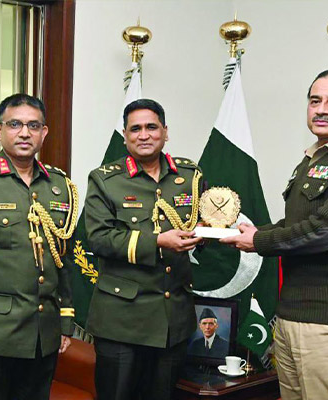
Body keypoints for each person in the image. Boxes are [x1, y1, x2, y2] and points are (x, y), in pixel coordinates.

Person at [222, 69, 328, 400]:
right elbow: (298, 222)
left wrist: (259, 242)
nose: (322, 109)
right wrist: (254, 231)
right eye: (315, 101)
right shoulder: (314, 159)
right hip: (292, 315)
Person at [84, 98, 205, 400]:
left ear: (165, 132)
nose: (144, 135)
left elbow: (202, 221)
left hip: (173, 319)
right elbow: (99, 238)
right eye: (135, 129)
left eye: (151, 127)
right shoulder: (105, 179)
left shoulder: (189, 176)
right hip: (121, 320)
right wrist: (158, 242)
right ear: (125, 136)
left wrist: (205, 233)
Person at [0, 94, 78, 400]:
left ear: (44, 132)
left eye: (33, 125)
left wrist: (65, 319)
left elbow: (63, 259)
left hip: (43, 333)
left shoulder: (60, 186)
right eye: (15, 124)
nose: (24, 133)